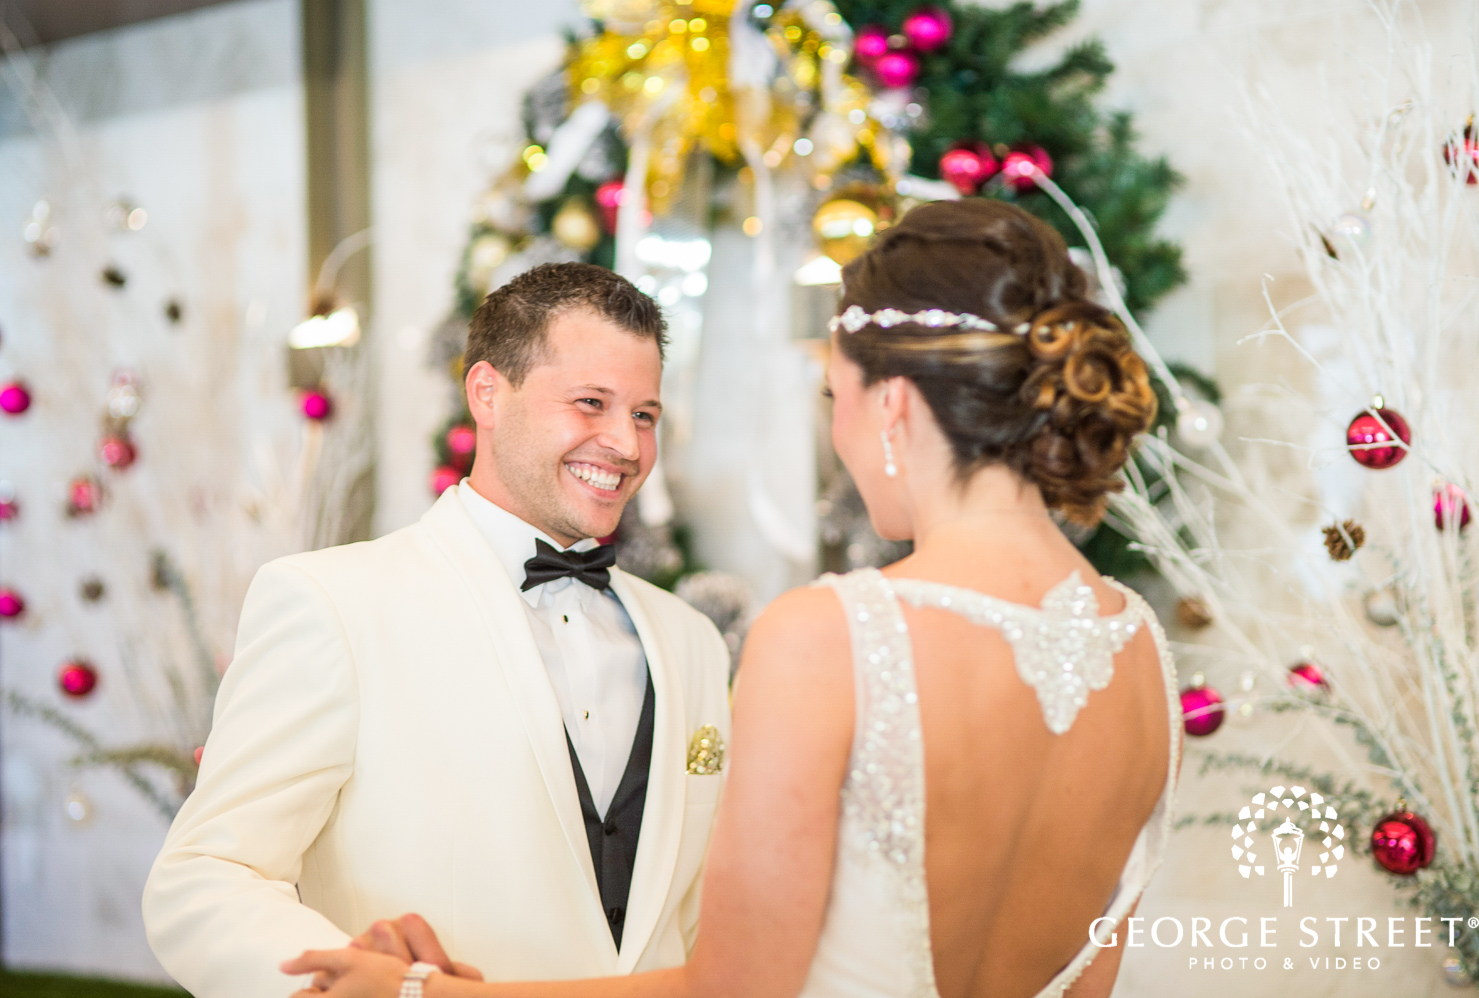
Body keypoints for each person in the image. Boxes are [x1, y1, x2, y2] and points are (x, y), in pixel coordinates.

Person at [283, 198, 1180, 998]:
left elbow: (731, 990)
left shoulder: (831, 635)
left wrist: (418, 995)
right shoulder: (1142, 654)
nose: (837, 428)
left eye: (836, 393)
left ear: (894, 406)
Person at [143, 263, 733, 998]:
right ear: (487, 393)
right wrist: (373, 987)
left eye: (644, 415)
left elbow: (704, 923)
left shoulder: (690, 642)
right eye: (591, 403)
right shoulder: (334, 604)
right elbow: (206, 875)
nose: (627, 444)